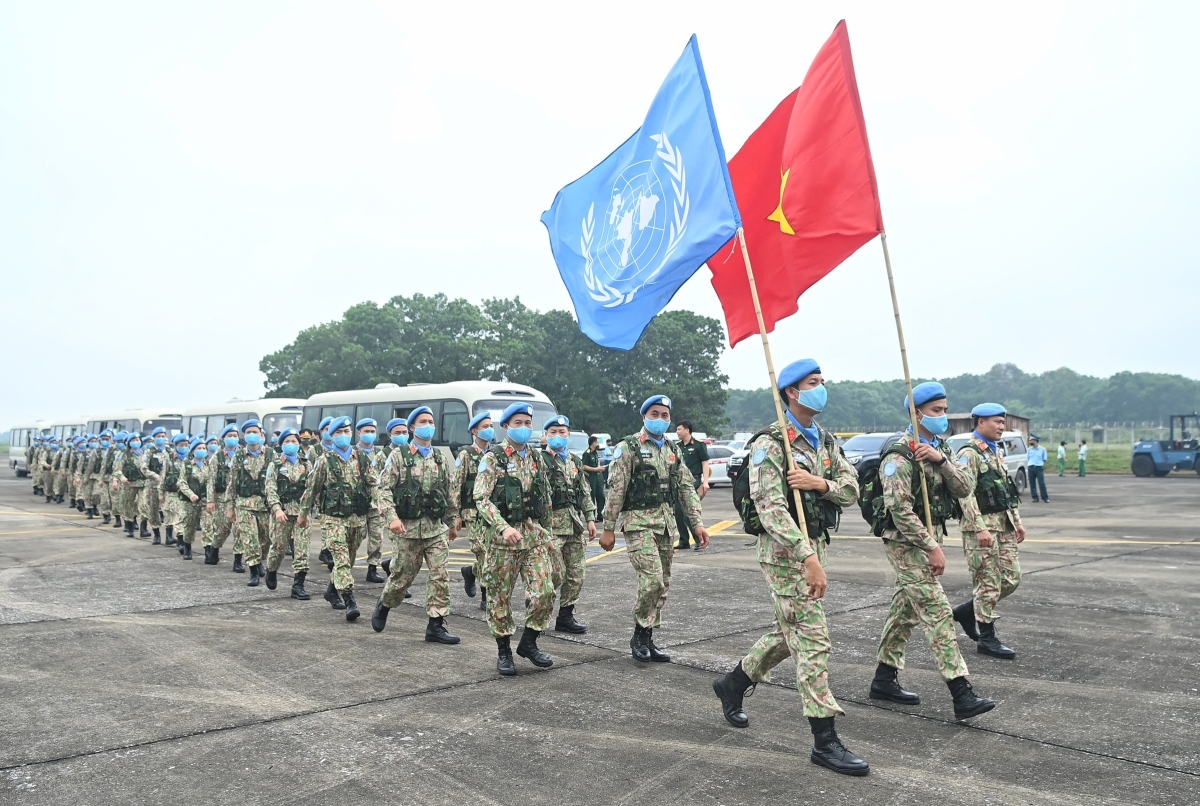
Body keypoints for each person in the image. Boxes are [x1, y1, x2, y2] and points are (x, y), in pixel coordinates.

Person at [709, 359, 867, 776]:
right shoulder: (772, 443)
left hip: (814, 548)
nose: (822, 388)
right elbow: (770, 507)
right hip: (786, 555)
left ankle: (733, 684)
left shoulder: (824, 440)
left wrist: (821, 484)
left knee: (789, 633)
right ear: (792, 392)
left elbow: (852, 488)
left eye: (822, 381)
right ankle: (824, 739)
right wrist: (806, 557)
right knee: (813, 640)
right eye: (814, 383)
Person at [867, 382, 995, 720]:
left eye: (944, 410)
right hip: (905, 541)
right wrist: (931, 546)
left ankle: (884, 678)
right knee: (937, 611)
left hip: (929, 536)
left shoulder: (940, 448)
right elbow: (899, 510)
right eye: (936, 411)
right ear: (917, 413)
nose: (943, 416)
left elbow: (965, 487)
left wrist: (942, 461)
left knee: (905, 609)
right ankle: (961, 692)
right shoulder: (900, 454)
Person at [601, 395, 707, 664]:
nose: (660, 419)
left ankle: (647, 637)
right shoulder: (628, 447)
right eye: (654, 414)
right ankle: (638, 636)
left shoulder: (672, 449)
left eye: (665, 415)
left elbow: (685, 488)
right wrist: (608, 527)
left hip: (665, 525)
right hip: (638, 524)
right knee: (652, 580)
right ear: (644, 417)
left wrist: (697, 523)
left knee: (663, 584)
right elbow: (616, 489)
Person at [473, 402, 557, 676]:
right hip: (502, 541)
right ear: (506, 426)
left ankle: (529, 642)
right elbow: (481, 499)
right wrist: (503, 527)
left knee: (545, 591)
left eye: (527, 423)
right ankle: (504, 651)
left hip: (532, 536)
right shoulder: (493, 458)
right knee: (499, 596)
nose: (524, 428)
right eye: (518, 423)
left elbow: (545, 499)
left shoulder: (536, 457)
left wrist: (547, 533)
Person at [372, 405, 460, 644]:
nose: (428, 425)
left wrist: (452, 522)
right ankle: (385, 603)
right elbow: (383, 489)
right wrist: (391, 518)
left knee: (440, 575)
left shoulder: (440, 458)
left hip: (435, 529)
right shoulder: (398, 456)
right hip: (407, 529)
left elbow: (449, 492)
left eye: (431, 421)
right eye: (422, 422)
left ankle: (436, 625)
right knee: (402, 577)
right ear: (412, 427)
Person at [951, 403, 1026, 660]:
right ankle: (986, 637)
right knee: (987, 582)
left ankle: (968, 610)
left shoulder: (995, 451)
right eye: (997, 422)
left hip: (1003, 526)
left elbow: (1006, 491)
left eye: (1003, 422)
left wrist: (1017, 521)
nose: (1002, 427)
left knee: (1011, 578)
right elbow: (965, 494)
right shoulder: (969, 453)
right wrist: (979, 528)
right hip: (981, 529)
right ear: (981, 422)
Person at [298, 416, 377, 621]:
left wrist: (383, 507)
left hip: (357, 519)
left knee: (348, 560)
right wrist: (303, 513)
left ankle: (332, 590)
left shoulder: (362, 458)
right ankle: (349, 599)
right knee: (340, 559)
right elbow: (312, 488)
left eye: (346, 432)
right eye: (338, 433)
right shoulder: (324, 461)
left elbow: (374, 484)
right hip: (333, 519)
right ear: (332, 436)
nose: (343, 435)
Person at [541, 415, 597, 634]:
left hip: (574, 525)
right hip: (551, 526)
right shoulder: (540, 460)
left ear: (568, 434)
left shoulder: (574, 461)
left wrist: (590, 518)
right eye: (553, 432)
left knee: (576, 574)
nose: (557, 436)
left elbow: (584, 492)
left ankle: (565, 616)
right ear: (545, 436)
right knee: (555, 573)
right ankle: (537, 607)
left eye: (561, 432)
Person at [222, 420, 274, 585]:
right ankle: (253, 571)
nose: (252, 435)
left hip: (266, 505)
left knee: (266, 539)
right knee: (250, 538)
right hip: (244, 505)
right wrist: (230, 508)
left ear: (261, 434)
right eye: (249, 432)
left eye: (255, 432)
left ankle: (259, 561)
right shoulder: (238, 456)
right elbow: (231, 484)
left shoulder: (271, 454)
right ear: (244, 436)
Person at [265, 428, 313, 597]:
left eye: (294, 441)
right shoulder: (275, 465)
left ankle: (298, 586)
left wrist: (306, 511)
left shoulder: (306, 464)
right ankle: (271, 569)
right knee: (278, 547)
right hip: (282, 513)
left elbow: (311, 489)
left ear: (299, 444)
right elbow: (270, 489)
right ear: (281, 445)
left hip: (301, 514)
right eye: (287, 441)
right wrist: (276, 509)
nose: (290, 444)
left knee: (302, 550)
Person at [449, 414, 490, 609]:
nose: (489, 429)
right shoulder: (466, 454)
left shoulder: (495, 454)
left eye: (490, 426)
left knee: (492, 555)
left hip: (492, 515)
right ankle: (486, 596)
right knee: (483, 553)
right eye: (485, 426)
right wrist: (456, 514)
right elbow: (456, 485)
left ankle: (471, 572)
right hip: (472, 514)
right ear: (475, 431)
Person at [354, 418, 387, 584]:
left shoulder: (381, 455)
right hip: (357, 504)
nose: (369, 434)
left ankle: (372, 569)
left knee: (377, 538)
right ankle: (341, 563)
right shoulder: (351, 453)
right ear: (359, 433)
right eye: (366, 431)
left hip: (376, 504)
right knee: (355, 537)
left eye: (372, 431)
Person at [204, 425, 240, 566]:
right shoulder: (217, 457)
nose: (232, 438)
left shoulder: (242, 455)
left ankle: (238, 560)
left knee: (239, 530)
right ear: (223, 439)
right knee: (223, 528)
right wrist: (210, 500)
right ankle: (214, 548)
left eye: (235, 436)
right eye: (229, 436)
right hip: (221, 499)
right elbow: (211, 481)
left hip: (239, 499)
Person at [673, 420, 710, 551]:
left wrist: (706, 482)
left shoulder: (699, 445)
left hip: (694, 481)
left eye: (679, 429)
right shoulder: (677, 446)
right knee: (677, 511)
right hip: (679, 481)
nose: (677, 432)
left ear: (687, 430)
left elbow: (705, 464)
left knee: (690, 510)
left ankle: (698, 539)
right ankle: (684, 540)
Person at [175, 438, 210, 561]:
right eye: (199, 448)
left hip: (205, 501)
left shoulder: (209, 465)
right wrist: (190, 494)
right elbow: (182, 482)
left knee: (208, 525)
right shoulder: (187, 465)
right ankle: (187, 548)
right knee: (189, 526)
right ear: (193, 451)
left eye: (204, 448)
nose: (202, 450)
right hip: (190, 502)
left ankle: (208, 550)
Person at [581, 436, 606, 512]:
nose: (598, 444)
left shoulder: (595, 453)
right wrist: (595, 469)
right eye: (597, 443)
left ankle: (600, 514)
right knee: (591, 496)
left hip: (598, 477)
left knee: (601, 496)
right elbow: (583, 466)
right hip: (590, 477)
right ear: (593, 443)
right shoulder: (587, 453)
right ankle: (592, 515)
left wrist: (599, 469)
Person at [1027, 436, 1049, 502]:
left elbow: (1044, 459)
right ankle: (1035, 497)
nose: (1030, 442)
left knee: (1041, 483)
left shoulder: (1042, 449)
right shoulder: (1029, 449)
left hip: (1039, 468)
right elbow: (1028, 458)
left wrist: (1039, 464)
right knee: (1032, 484)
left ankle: (1045, 497)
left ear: (1036, 441)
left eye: (1032, 440)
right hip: (1031, 467)